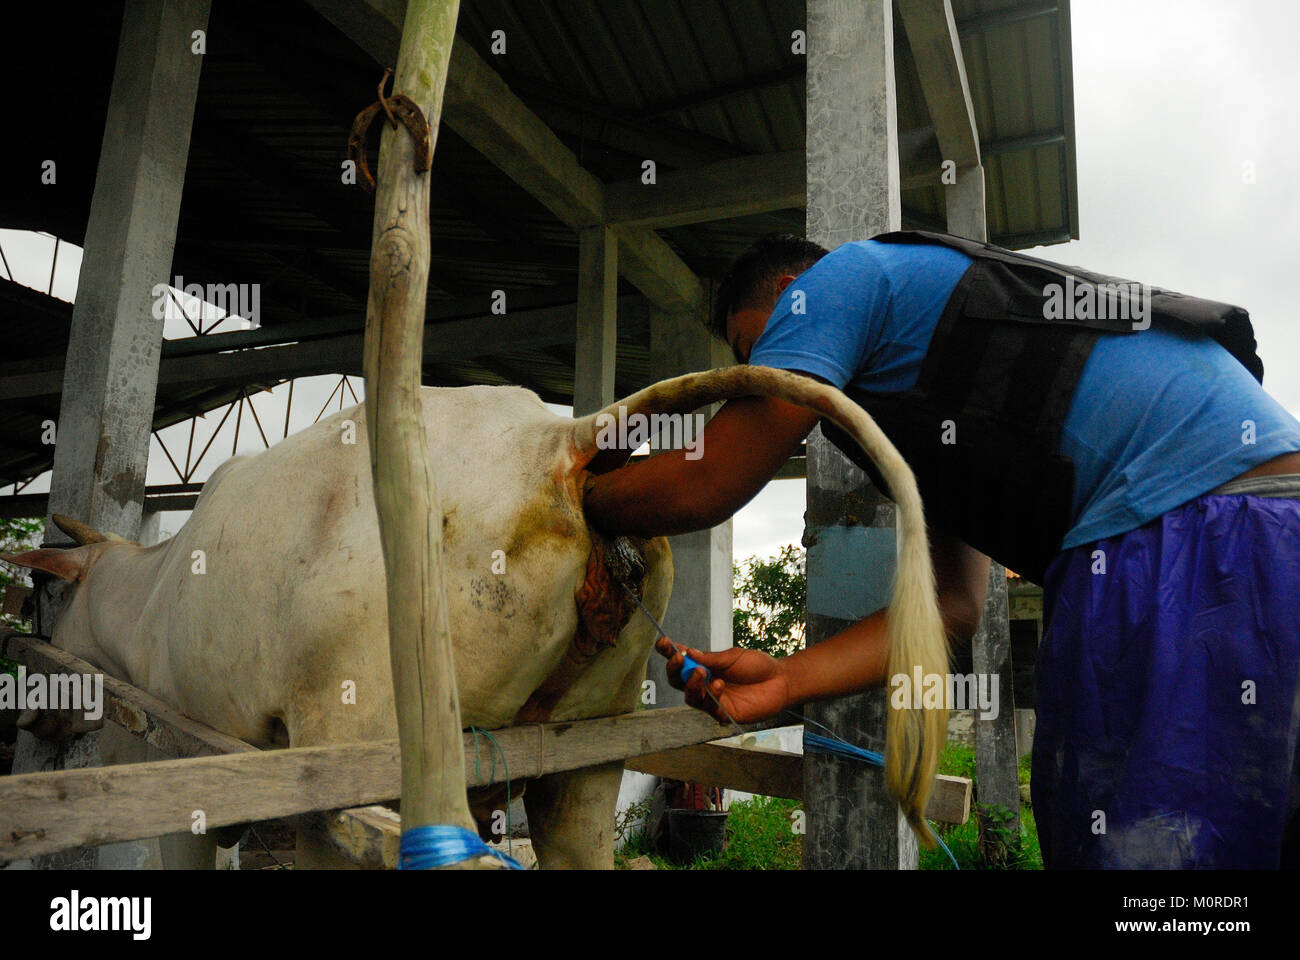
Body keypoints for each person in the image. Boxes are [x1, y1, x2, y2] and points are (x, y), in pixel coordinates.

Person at [582, 231, 1300, 869]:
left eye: (753, 350)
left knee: (1154, 856)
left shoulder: (846, 276)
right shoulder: (931, 401)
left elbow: (711, 478)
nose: (763, 371)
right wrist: (787, 679)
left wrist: (574, 497)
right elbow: (954, 604)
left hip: (1200, 535)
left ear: (787, 292)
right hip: (1261, 531)